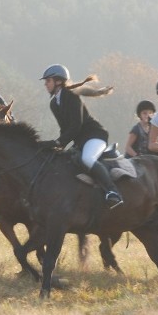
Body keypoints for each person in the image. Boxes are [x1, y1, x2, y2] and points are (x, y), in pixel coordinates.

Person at [38, 64, 123, 209]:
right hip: (80, 141)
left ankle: (113, 192)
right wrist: (59, 146)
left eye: (48, 81)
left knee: (87, 159)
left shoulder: (72, 96)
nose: (45, 84)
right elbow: (65, 129)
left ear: (58, 81)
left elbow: (76, 126)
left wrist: (58, 142)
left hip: (95, 136)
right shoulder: (54, 104)